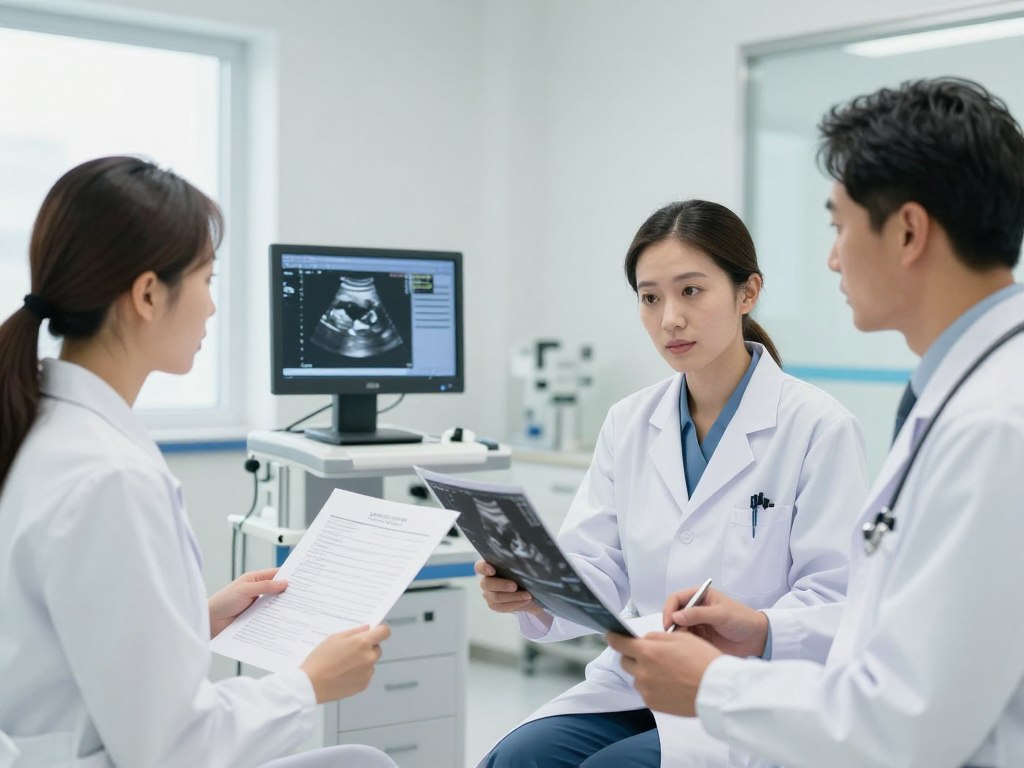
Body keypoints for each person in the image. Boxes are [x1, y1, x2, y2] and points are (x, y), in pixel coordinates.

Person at [608, 77, 1024, 768]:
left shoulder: (994, 425)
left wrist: (714, 685)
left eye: (838, 225)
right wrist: (764, 632)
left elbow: (907, 721)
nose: (832, 256)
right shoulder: (964, 397)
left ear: (909, 231)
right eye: (651, 298)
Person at [0, 156, 396, 768]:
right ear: (149, 293)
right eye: (207, 279)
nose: (212, 307)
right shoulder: (110, 478)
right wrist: (309, 684)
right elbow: (171, 750)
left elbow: (60, 635)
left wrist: (196, 618)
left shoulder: (38, 425)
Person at [478, 200, 869, 767]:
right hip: (638, 680)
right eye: (650, 297)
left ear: (747, 292)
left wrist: (760, 627)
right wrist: (533, 591)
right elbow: (599, 569)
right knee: (518, 761)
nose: (669, 319)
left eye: (691, 291)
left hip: (754, 690)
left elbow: (839, 599)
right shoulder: (629, 422)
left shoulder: (818, 427)